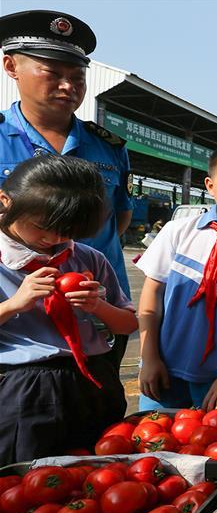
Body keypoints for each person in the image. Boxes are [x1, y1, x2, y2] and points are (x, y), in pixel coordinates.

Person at [0, 11, 134, 374]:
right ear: (11, 67)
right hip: (17, 318)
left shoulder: (108, 146)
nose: (67, 86)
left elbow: (119, 217)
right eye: (53, 74)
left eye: (77, 78)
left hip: (95, 303)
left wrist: (77, 260)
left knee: (98, 411)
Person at [0, 155, 136, 463]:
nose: (55, 239)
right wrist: (13, 305)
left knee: (99, 470)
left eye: (69, 230)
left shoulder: (88, 258)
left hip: (94, 379)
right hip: (24, 389)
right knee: (26, 478)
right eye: (43, 227)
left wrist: (98, 306)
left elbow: (128, 324)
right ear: (5, 201)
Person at [136, 145, 217, 410]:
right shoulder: (178, 231)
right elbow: (151, 298)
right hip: (164, 370)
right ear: (210, 185)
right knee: (157, 441)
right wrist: (148, 357)